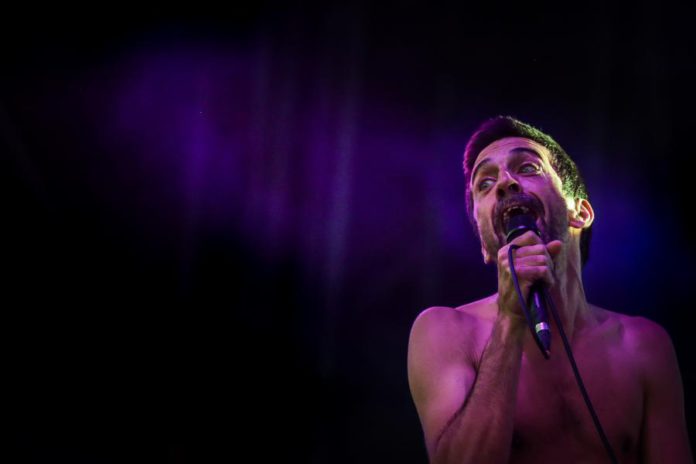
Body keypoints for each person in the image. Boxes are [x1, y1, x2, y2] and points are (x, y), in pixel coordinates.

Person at [407, 116, 693, 463]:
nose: (505, 182)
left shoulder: (643, 345)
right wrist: (510, 320)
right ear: (484, 244)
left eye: (527, 167)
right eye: (485, 183)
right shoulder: (444, 331)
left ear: (580, 213)